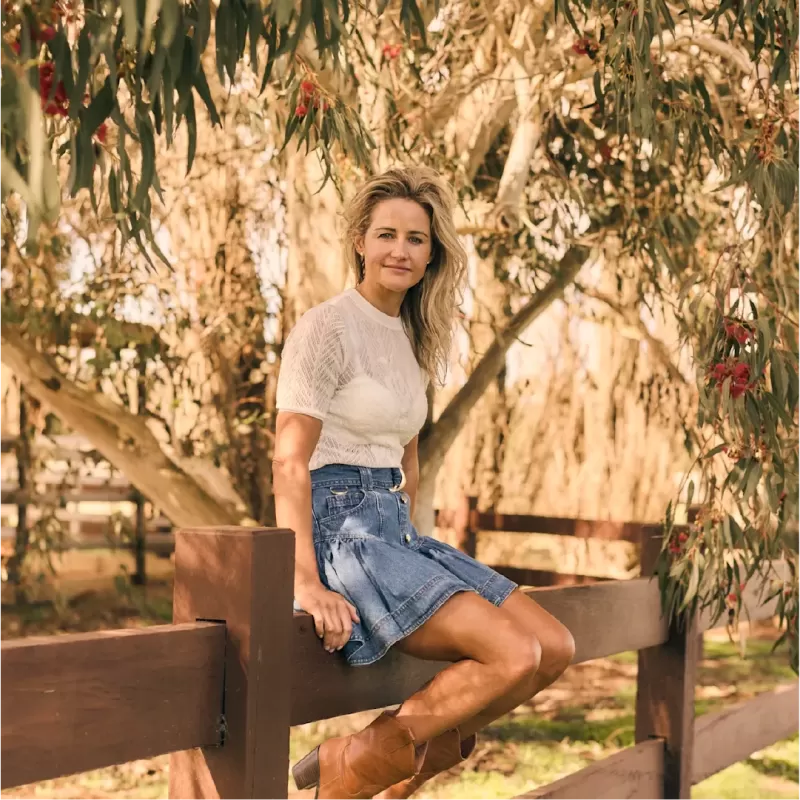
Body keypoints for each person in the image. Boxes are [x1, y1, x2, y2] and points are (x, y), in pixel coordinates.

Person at [273, 166, 575, 800]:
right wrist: (303, 580)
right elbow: (289, 461)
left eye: (416, 239)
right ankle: (358, 773)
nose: (400, 251)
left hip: (393, 529)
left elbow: (404, 459)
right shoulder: (327, 327)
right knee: (513, 655)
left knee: (552, 646)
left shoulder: (412, 337)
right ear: (359, 240)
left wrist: (412, 540)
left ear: (432, 252)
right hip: (341, 532)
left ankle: (365, 768)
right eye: (386, 234)